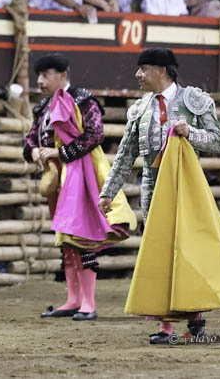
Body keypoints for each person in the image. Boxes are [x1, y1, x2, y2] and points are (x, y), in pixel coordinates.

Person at [98, 47, 220, 344]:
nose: (138, 75)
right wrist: (108, 193)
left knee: (187, 251)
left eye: (143, 69)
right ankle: (166, 326)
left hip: (185, 187)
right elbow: (125, 155)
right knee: (158, 254)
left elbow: (218, 141)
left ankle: (194, 314)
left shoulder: (194, 100)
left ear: (161, 71)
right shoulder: (140, 108)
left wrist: (190, 133)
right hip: (152, 187)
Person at [23, 53, 137, 322]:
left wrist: (60, 153)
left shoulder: (83, 100)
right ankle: (73, 299)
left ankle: (88, 302)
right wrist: (36, 152)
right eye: (38, 76)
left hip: (83, 177)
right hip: (59, 180)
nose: (40, 81)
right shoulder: (43, 108)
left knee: (82, 237)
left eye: (45, 75)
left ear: (62, 75)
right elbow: (29, 141)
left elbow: (95, 135)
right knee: (66, 239)